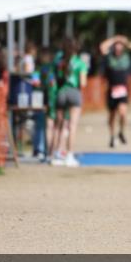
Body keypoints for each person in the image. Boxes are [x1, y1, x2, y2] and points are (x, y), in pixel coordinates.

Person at [99, 34, 131, 148]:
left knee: (123, 114)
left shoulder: (127, 57)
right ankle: (112, 136)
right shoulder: (109, 57)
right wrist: (114, 39)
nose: (118, 48)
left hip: (123, 90)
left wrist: (126, 42)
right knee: (112, 115)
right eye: (116, 46)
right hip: (111, 90)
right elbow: (102, 47)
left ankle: (121, 132)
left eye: (120, 46)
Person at [49, 37, 87, 167]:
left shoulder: (59, 61)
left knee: (59, 125)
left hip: (61, 92)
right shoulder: (80, 63)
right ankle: (69, 155)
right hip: (74, 92)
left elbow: (54, 77)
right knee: (72, 126)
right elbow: (82, 83)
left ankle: (56, 154)